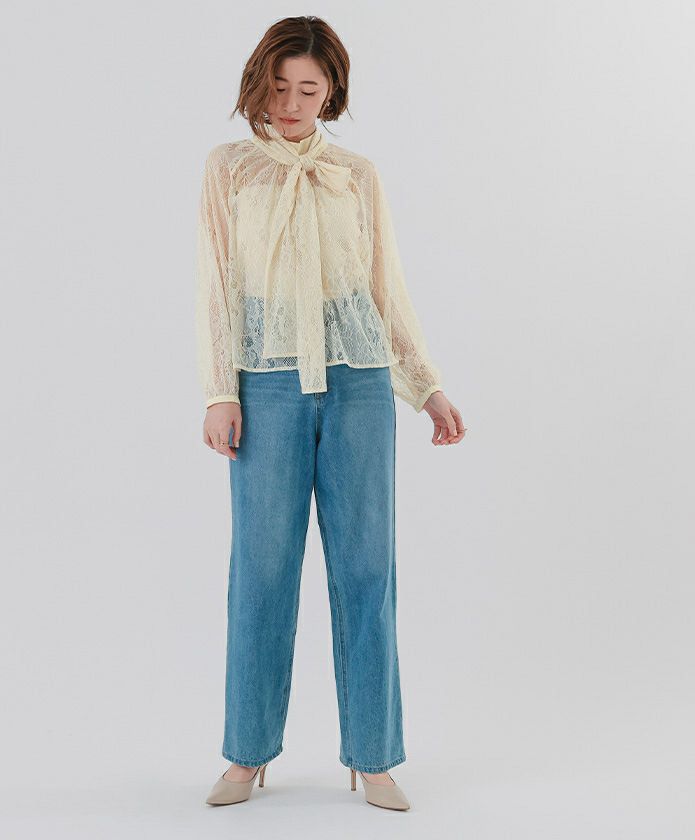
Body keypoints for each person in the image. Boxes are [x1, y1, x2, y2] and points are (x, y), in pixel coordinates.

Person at [195, 15, 466, 811]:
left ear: (332, 92)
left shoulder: (356, 174)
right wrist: (219, 390)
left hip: (360, 385)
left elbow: (386, 286)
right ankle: (246, 754)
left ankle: (373, 755)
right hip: (266, 387)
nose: (290, 103)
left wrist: (426, 385)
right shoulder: (230, 169)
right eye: (278, 86)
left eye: (308, 89)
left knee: (367, 570)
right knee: (261, 572)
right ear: (258, 83)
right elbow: (214, 282)